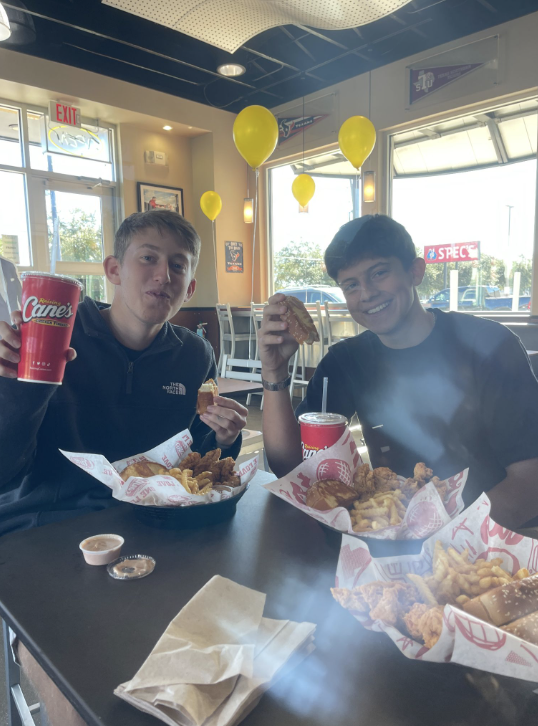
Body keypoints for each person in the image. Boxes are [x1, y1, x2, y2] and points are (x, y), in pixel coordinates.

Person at [258, 214, 538, 529]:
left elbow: (530, 480)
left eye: (379, 273)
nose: (366, 293)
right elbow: (291, 467)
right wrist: (274, 372)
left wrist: (439, 539)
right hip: (394, 540)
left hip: (499, 536)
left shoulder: (491, 345)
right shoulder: (345, 361)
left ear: (415, 271)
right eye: (351, 285)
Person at [0, 209, 247, 537]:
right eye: (148, 257)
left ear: (189, 289)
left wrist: (224, 438)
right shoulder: (53, 341)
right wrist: (14, 388)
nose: (164, 275)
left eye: (178, 265)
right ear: (113, 270)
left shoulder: (196, 354)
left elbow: (197, 455)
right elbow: (7, 474)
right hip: (47, 523)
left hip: (150, 520)